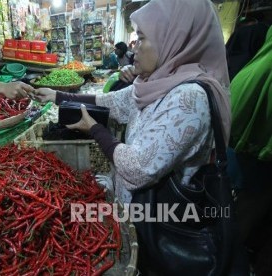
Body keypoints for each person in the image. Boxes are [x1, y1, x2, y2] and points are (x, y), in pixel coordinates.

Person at [30, 0, 245, 273]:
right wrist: (58, 96)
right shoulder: (158, 81)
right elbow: (110, 102)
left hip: (161, 219)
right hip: (137, 215)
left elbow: (138, 167)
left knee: (148, 265)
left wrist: (95, 130)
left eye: (142, 38)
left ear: (173, 38)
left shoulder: (189, 97)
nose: (134, 48)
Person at [229, 26, 272, 275]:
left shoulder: (257, 64)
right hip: (257, 162)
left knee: (232, 215)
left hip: (237, 152)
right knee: (240, 222)